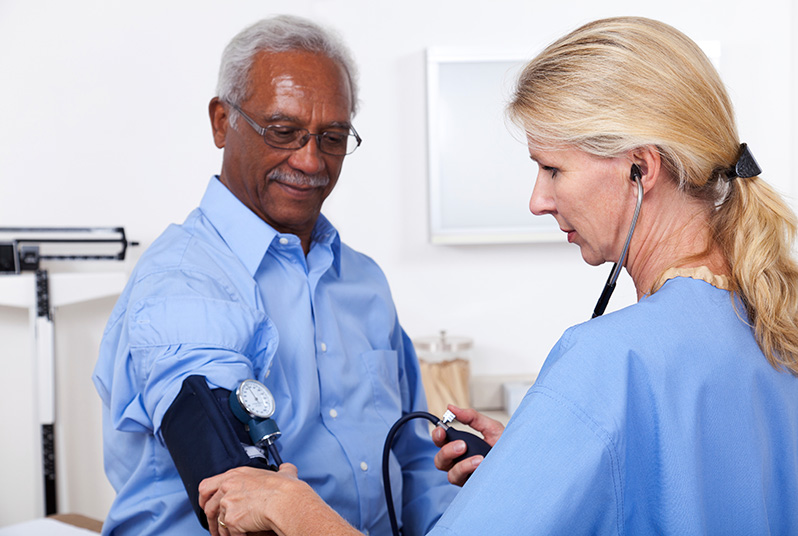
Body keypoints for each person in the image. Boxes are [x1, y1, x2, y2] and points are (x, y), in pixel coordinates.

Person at [195, 16, 798, 535]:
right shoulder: (772, 321)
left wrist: (296, 510)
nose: (538, 200)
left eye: (552, 169)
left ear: (640, 168)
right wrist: (545, 460)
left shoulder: (610, 362)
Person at [92, 15, 456, 536]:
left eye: (332, 137)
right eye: (283, 132)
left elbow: (416, 463)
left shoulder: (364, 282)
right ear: (222, 121)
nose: (310, 161)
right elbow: (241, 505)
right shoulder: (184, 287)